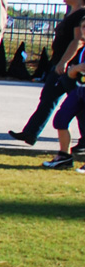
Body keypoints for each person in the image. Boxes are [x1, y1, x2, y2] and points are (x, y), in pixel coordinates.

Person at [9, 0, 85, 146]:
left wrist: (65, 62)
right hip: (58, 64)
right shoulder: (71, 14)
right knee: (48, 98)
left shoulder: (81, 15)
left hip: (71, 67)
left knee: (79, 104)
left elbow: (78, 41)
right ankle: (30, 133)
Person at [41, 15, 85, 169]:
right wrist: (75, 69)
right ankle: (64, 156)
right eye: (83, 27)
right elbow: (73, 74)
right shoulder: (82, 49)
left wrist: (77, 69)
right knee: (60, 119)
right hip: (80, 90)